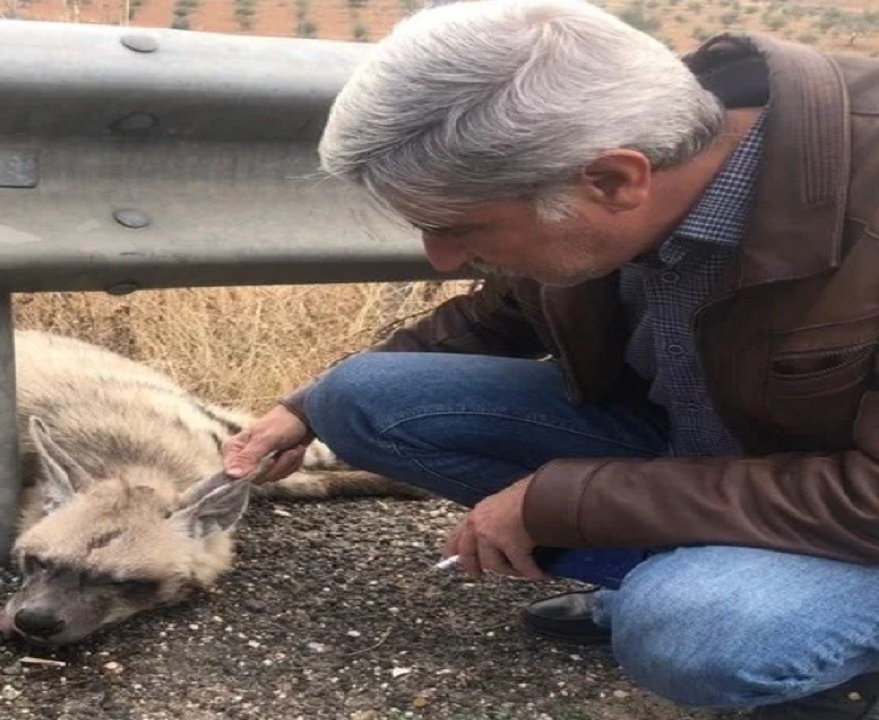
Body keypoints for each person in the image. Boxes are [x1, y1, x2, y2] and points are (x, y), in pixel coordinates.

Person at [220, 1, 879, 718]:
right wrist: (304, 404)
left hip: (855, 511)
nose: (438, 258)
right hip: (717, 451)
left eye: (456, 228)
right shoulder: (619, 141)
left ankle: (817, 654)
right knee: (355, 396)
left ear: (614, 182)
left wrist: (564, 500)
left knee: (699, 631)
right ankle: (677, 571)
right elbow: (510, 306)